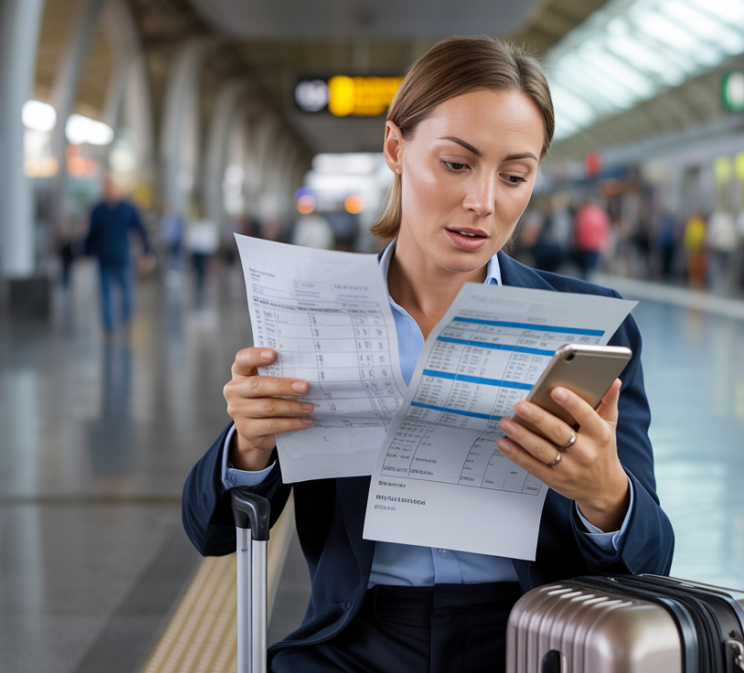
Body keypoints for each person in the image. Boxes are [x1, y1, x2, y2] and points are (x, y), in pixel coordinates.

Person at [181, 37, 673, 673]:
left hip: (538, 638)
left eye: (515, 176)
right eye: (457, 164)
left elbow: (650, 559)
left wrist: (605, 495)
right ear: (395, 148)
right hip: (356, 641)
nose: (483, 202)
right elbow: (212, 529)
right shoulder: (316, 315)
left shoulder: (588, 328)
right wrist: (250, 446)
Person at [84, 175, 153, 336]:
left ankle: (112, 327)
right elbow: (142, 230)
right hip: (117, 256)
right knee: (122, 291)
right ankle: (122, 324)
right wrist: (148, 251)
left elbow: (91, 236)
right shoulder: (126, 208)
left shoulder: (100, 209)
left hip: (114, 257)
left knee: (111, 293)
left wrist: (85, 252)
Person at [185, 208, 220, 305]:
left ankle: (201, 281)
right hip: (196, 249)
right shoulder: (194, 224)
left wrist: (212, 249)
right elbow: (190, 237)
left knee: (202, 267)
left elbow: (211, 237)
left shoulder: (208, 225)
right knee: (197, 268)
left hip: (204, 250)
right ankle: (198, 281)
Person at [573, 196, 609, 280]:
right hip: (594, 246)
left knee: (583, 269)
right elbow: (604, 232)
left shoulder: (581, 214)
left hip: (582, 245)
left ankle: (583, 283)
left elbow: (577, 231)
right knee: (590, 269)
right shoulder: (601, 215)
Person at [683, 210, 706, 289]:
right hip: (693, 248)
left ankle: (698, 282)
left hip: (699, 249)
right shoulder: (692, 223)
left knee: (699, 267)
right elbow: (688, 235)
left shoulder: (701, 224)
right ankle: (693, 281)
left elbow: (703, 236)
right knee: (692, 266)